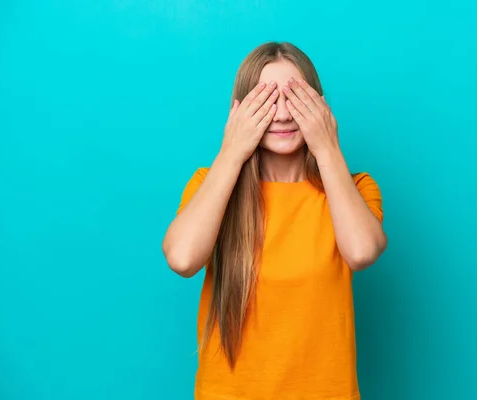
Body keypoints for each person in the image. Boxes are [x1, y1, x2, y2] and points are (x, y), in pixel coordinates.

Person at [162, 41, 388, 400]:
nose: (282, 115)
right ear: (240, 111)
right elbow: (183, 258)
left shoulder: (355, 190)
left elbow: (361, 252)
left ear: (319, 106)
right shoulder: (210, 185)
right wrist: (232, 150)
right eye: (266, 101)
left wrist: (327, 147)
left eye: (295, 99)